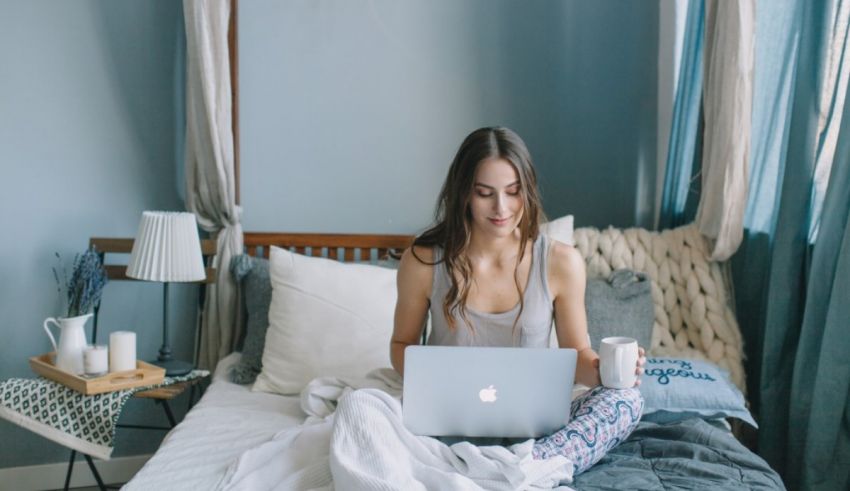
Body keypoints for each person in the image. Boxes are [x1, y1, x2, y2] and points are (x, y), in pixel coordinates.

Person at [389, 126, 645, 476]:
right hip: (444, 424)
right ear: (463, 193)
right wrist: (431, 386)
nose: (502, 208)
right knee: (361, 408)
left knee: (627, 400)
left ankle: (524, 468)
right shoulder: (423, 262)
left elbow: (577, 357)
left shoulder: (561, 262)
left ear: (528, 190)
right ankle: (513, 474)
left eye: (513, 192)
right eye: (484, 193)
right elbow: (401, 344)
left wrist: (605, 372)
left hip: (535, 434)